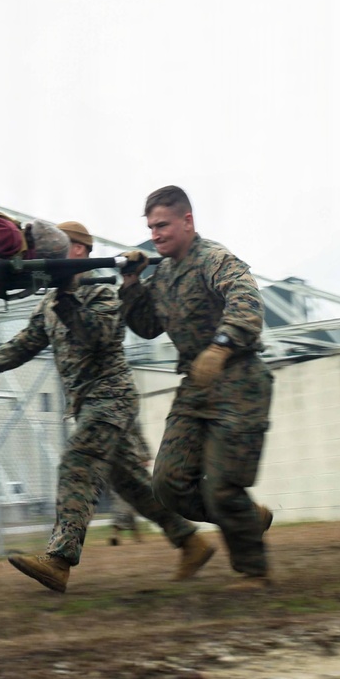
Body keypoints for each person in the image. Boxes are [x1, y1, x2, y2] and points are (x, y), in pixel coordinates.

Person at [0, 221, 214, 592]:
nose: (47, 258)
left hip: (111, 397)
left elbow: (97, 335)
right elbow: (27, 341)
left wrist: (67, 298)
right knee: (133, 486)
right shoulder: (50, 302)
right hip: (87, 405)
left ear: (80, 251)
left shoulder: (102, 291)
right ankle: (194, 538)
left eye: (58, 250)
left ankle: (59, 559)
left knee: (77, 462)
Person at [120, 185, 273, 587]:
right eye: (151, 227)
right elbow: (148, 327)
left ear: (187, 221)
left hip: (239, 381)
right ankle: (245, 517)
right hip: (196, 386)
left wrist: (221, 346)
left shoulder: (215, 260)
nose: (155, 235)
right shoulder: (164, 274)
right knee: (168, 486)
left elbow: (247, 303)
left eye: (163, 225)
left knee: (223, 487)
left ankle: (252, 571)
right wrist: (132, 283)